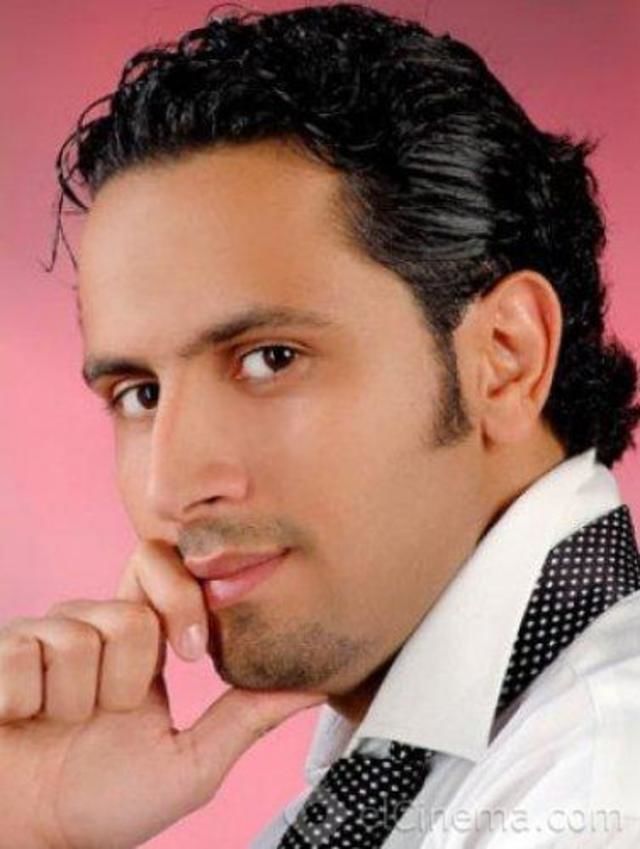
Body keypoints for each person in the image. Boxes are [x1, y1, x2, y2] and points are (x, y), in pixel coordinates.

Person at [1, 2, 639, 847]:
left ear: (505, 357)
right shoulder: (410, 778)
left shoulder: (603, 779)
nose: (172, 486)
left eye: (270, 359)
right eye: (139, 394)